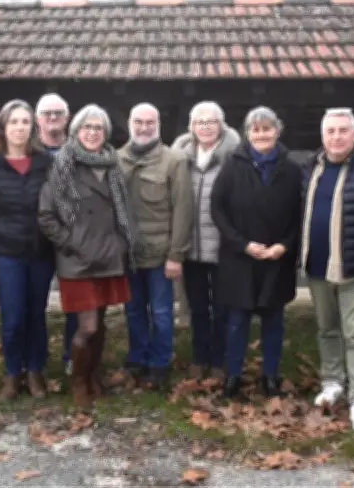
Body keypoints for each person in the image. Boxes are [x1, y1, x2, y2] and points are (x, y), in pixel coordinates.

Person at [39, 104, 138, 409]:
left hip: (109, 257)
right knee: (88, 327)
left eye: (98, 128)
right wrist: (71, 243)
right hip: (78, 260)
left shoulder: (112, 164)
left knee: (102, 325)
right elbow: (46, 216)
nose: (93, 133)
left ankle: (94, 376)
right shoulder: (63, 165)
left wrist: (122, 243)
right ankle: (78, 382)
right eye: (87, 127)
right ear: (76, 131)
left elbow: (122, 211)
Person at [210, 106, 303, 399]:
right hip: (240, 259)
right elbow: (217, 209)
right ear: (247, 133)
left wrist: (284, 245)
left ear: (277, 130)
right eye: (256, 129)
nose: (261, 134)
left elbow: (301, 214)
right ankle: (233, 376)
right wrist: (242, 244)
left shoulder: (292, 170)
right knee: (237, 322)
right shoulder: (232, 166)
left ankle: (270, 377)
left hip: (277, 259)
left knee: (273, 322)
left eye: (267, 129)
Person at [301, 108, 354, 432]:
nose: (336, 137)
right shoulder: (312, 167)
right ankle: (332, 382)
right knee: (327, 329)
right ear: (323, 136)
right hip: (318, 265)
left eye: (343, 130)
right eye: (330, 131)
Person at [0, 99, 54, 401]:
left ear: (33, 127)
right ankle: (12, 372)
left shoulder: (45, 162)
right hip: (6, 254)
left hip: (41, 252)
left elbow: (57, 205)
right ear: (3, 128)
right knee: (13, 316)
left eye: (25, 122)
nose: (20, 128)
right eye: (14, 122)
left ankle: (35, 370)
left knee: (36, 314)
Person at [118, 103, 193, 389]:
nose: (144, 127)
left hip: (161, 254)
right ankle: (137, 357)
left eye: (150, 122)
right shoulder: (116, 160)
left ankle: (160, 363)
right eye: (139, 122)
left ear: (158, 125)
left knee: (161, 313)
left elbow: (183, 209)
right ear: (129, 123)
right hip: (127, 254)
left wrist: (176, 254)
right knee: (133, 310)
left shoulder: (174, 160)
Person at [172, 101, 240, 381]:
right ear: (191, 126)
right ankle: (199, 358)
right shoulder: (180, 158)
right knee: (198, 309)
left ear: (221, 125)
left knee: (222, 309)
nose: (206, 127)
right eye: (200, 122)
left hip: (223, 249)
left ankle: (218, 361)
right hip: (191, 248)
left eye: (211, 121)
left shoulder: (234, 157)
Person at [35, 93, 78, 376]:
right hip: (36, 240)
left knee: (75, 302)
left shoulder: (78, 150)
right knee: (35, 303)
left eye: (58, 113)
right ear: (37, 119)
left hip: (72, 240)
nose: (52, 118)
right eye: (47, 113)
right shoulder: (27, 152)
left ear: (67, 117)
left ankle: (73, 355)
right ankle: (36, 360)